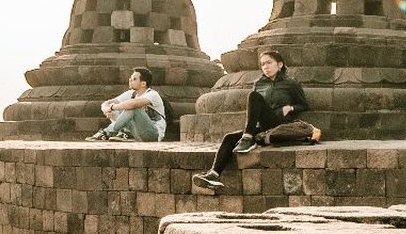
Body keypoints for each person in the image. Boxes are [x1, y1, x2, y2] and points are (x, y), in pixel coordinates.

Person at [193, 50, 317, 190]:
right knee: (229, 137)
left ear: (280, 64)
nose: (265, 67)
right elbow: (255, 109)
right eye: (263, 64)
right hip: (263, 125)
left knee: (253, 97)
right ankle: (214, 175)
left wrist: (291, 108)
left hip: (280, 123)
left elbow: (304, 105)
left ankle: (247, 138)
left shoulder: (290, 83)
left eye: (269, 63)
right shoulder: (258, 83)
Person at [85, 67, 166, 142]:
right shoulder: (131, 93)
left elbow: (133, 104)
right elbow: (107, 103)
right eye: (130, 78)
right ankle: (126, 134)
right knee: (117, 110)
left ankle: (107, 132)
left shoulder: (153, 94)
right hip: (137, 133)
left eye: (134, 79)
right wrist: (106, 109)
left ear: (143, 84)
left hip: (153, 133)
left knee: (133, 108)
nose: (130, 80)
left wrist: (112, 107)